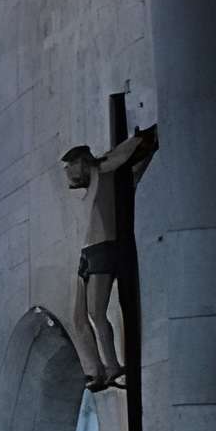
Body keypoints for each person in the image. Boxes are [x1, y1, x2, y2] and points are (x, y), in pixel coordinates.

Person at [62, 125, 158, 387]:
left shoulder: (103, 172)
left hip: (103, 248)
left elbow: (121, 156)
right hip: (87, 252)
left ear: (83, 163)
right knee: (78, 317)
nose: (68, 173)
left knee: (96, 312)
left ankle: (113, 365)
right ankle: (95, 370)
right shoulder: (96, 183)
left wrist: (142, 138)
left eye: (71, 166)